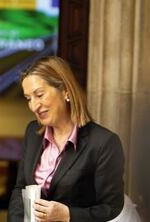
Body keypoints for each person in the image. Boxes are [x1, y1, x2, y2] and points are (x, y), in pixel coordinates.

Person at [8, 56, 124, 222]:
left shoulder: (104, 143)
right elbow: (20, 188)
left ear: (66, 91)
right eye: (28, 98)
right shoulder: (32, 131)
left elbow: (111, 207)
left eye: (39, 95)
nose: (34, 106)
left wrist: (68, 215)